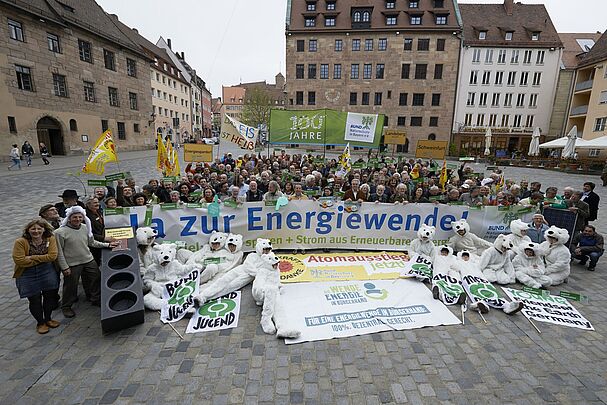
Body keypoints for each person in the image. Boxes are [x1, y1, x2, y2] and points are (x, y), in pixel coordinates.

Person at [54, 206, 118, 318]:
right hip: (72, 264)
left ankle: (95, 298)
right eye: (74, 217)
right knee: (70, 286)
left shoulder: (84, 227)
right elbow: (59, 252)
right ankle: (67, 306)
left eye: (80, 217)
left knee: (95, 278)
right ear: (69, 218)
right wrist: (64, 267)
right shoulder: (59, 232)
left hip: (88, 259)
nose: (77, 219)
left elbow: (92, 242)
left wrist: (107, 245)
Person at [12, 219, 60, 334]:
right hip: (27, 273)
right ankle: (40, 322)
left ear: (44, 229)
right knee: (34, 299)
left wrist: (32, 258)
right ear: (28, 230)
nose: (36, 231)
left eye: (39, 228)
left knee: (49, 296)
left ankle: (48, 319)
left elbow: (52, 256)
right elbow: (20, 261)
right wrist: (43, 257)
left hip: (47, 271)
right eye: (33, 229)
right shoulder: (21, 242)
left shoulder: (50, 239)